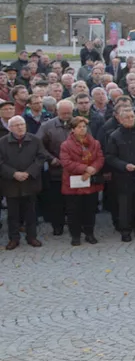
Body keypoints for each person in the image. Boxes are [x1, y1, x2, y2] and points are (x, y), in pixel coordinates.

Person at [104, 103, 135, 242]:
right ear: (120, 119)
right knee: (124, 204)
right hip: (123, 175)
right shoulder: (114, 136)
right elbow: (109, 156)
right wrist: (124, 165)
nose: (130, 119)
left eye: (132, 116)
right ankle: (125, 230)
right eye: (126, 117)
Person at [0, 116, 53, 249]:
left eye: (22, 124)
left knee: (31, 212)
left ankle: (32, 237)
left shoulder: (35, 140)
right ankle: (14, 238)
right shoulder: (2, 142)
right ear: (10, 128)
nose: (20, 127)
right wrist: (13, 173)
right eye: (16, 125)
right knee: (12, 214)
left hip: (30, 181)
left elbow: (41, 157)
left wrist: (29, 172)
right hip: (11, 183)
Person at [59, 116, 105, 246]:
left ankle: (89, 233)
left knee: (90, 210)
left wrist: (93, 169)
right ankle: (75, 235)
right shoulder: (66, 145)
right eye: (79, 127)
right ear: (73, 129)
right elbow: (66, 162)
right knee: (74, 211)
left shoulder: (94, 143)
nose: (82, 129)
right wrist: (85, 169)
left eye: (84, 127)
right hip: (73, 182)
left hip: (90, 180)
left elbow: (100, 158)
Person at [36, 99, 74, 236]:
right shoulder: (47, 126)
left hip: (75, 170)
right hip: (56, 170)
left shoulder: (79, 124)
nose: (66, 116)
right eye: (63, 113)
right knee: (56, 200)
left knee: (74, 200)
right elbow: (39, 146)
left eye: (69, 113)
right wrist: (51, 159)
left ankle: (75, 224)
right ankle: (57, 226)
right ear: (57, 112)